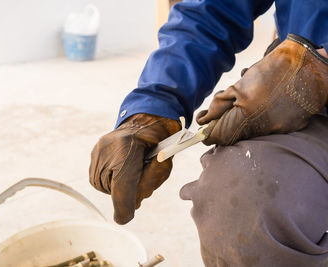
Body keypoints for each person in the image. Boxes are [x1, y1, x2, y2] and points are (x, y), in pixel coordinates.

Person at [89, 0, 328, 265]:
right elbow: (212, 10)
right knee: (238, 207)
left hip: (316, 75)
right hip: (310, 102)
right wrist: (154, 104)